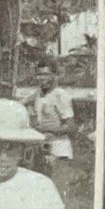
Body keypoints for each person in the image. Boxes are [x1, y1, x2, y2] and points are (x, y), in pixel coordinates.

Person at [29, 59, 76, 197]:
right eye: (39, 75)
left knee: (59, 191)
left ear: (55, 75)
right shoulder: (38, 93)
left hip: (59, 149)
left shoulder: (61, 95)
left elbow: (71, 126)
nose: (42, 78)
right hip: (42, 148)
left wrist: (46, 129)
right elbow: (21, 103)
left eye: (46, 74)